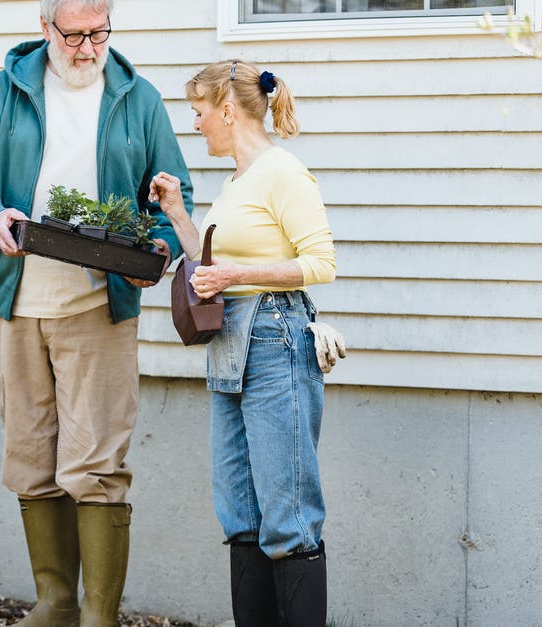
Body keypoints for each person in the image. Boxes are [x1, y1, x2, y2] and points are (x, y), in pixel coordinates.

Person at [0, 0, 194, 624]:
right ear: (45, 28)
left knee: (97, 463)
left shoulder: (138, 98)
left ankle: (98, 616)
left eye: (99, 32)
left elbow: (174, 193)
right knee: (32, 458)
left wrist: (160, 237)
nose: (88, 48)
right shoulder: (4, 92)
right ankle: (56, 604)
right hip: (17, 303)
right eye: (75, 34)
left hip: (98, 303)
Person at [148, 59, 345, 626]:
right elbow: (211, 266)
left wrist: (234, 276)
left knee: (289, 516)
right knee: (241, 515)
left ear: (228, 111)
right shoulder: (235, 184)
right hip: (230, 345)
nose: (196, 124)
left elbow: (321, 263)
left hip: (275, 339)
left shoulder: (284, 173)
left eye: (200, 112)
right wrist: (180, 216)